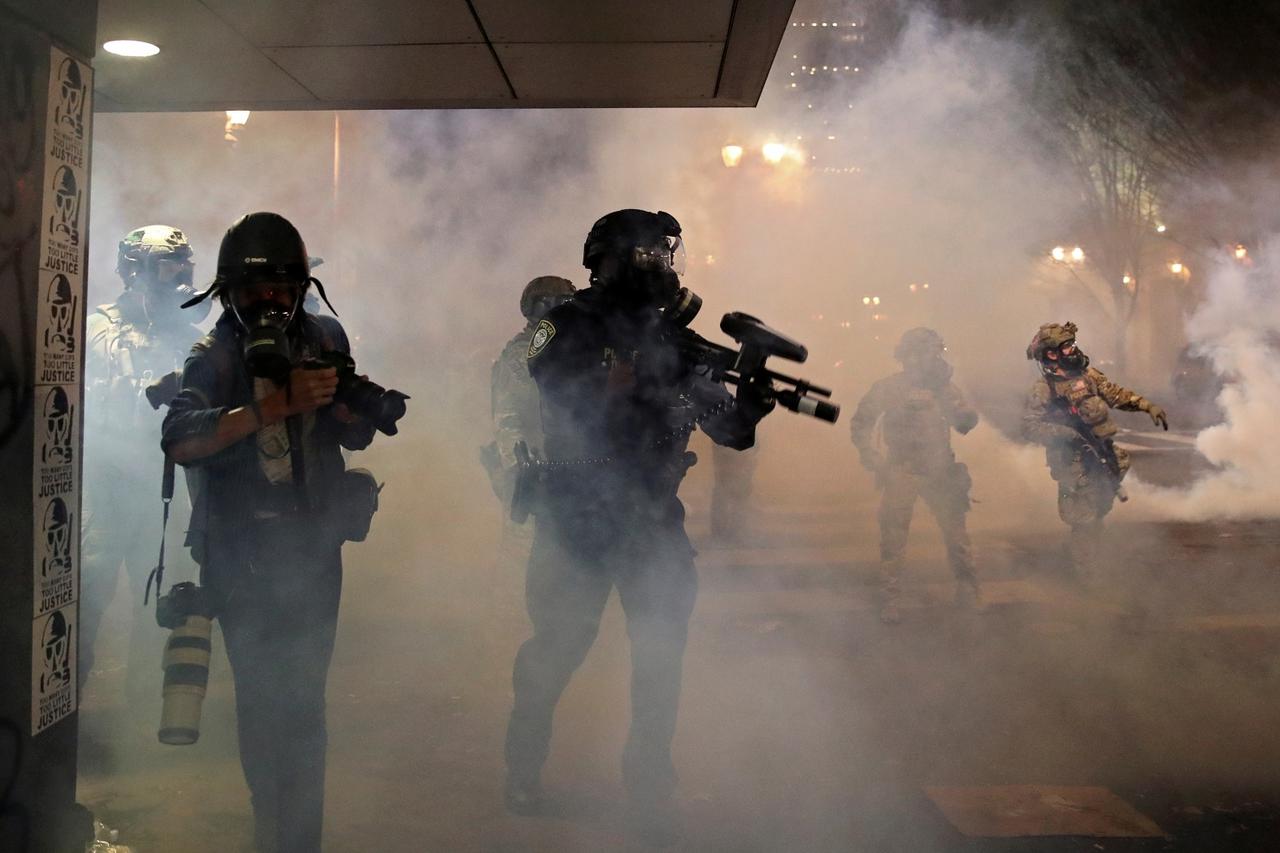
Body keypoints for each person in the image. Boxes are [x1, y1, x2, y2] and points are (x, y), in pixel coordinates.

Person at [503, 209, 775, 834]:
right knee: (558, 649)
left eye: (664, 255)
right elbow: (563, 388)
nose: (661, 266)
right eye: (649, 255)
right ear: (610, 260)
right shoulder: (566, 324)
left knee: (661, 654)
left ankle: (650, 778)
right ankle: (522, 768)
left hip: (653, 519)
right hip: (579, 518)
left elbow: (728, 430)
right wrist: (638, 372)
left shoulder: (675, 339)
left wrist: (753, 404)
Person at [162, 212, 382, 853]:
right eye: (256, 290)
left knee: (307, 699)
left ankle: (299, 838)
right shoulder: (214, 354)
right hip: (240, 552)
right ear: (228, 292)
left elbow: (349, 435)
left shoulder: (324, 336)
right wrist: (271, 408)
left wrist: (348, 411)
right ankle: (271, 822)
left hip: (312, 547)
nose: (270, 302)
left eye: (283, 288)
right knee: (261, 697)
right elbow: (179, 439)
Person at [81, 225, 207, 694]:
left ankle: (140, 717)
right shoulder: (96, 328)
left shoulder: (193, 338)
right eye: (168, 267)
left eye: (183, 267)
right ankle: (66, 715)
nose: (179, 278)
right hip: (105, 480)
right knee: (87, 589)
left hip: (163, 485)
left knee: (162, 593)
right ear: (135, 271)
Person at [850, 327, 980, 624]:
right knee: (893, 537)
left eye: (932, 353)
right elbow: (861, 422)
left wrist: (966, 412)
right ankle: (891, 597)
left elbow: (964, 424)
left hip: (940, 470)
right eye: (921, 353)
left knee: (956, 534)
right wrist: (869, 455)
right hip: (901, 469)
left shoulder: (944, 389)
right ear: (906, 356)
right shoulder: (889, 388)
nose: (926, 360)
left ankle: (968, 589)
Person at [1022, 321, 1168, 573]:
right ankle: (1085, 570)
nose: (1069, 353)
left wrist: (1145, 405)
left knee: (1100, 504)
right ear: (1049, 356)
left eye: (1069, 346)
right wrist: (1064, 433)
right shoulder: (1044, 388)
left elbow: (1115, 394)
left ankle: (1085, 551)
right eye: (1061, 350)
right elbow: (1030, 426)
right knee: (1083, 516)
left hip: (1101, 450)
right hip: (1072, 459)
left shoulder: (1088, 376)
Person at [484, 275, 577, 506]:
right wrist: (522, 473)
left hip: (560, 468)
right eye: (564, 304)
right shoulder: (522, 354)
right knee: (526, 540)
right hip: (534, 474)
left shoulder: (559, 349)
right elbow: (507, 419)